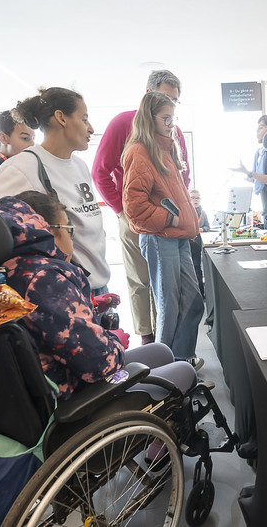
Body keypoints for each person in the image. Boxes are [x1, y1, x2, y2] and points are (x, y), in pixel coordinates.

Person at [0, 192, 197, 401]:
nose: (72, 238)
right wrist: (115, 340)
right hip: (76, 393)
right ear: (51, 231)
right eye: (69, 229)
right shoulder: (45, 280)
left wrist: (86, 305)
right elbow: (98, 362)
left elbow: (49, 325)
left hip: (51, 379)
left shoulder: (12, 270)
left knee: (161, 352)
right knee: (185, 371)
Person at [91, 70, 191, 346]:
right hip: (134, 214)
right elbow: (100, 171)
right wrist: (121, 210)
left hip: (168, 217)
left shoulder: (175, 131)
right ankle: (148, 337)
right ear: (148, 94)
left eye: (175, 101)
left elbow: (183, 173)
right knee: (139, 279)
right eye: (165, 97)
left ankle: (167, 340)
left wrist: (180, 208)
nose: (170, 105)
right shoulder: (123, 122)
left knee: (169, 283)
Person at [0, 87, 111, 294]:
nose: (91, 128)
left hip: (98, 286)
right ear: (61, 118)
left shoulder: (79, 166)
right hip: (66, 289)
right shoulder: (24, 166)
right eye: (84, 119)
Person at [122, 92, 204, 369]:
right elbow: (135, 209)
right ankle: (163, 369)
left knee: (192, 300)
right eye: (165, 118)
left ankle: (179, 361)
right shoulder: (139, 151)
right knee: (170, 308)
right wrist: (173, 219)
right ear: (149, 118)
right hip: (160, 238)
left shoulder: (166, 149)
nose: (171, 124)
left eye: (173, 118)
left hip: (177, 238)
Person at [188, 189, 210, 297]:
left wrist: (202, 229)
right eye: (192, 197)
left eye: (197, 198)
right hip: (186, 243)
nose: (195, 200)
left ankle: (201, 293)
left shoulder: (203, 213)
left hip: (197, 244)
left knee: (197, 267)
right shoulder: (185, 211)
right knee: (187, 269)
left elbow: (207, 227)